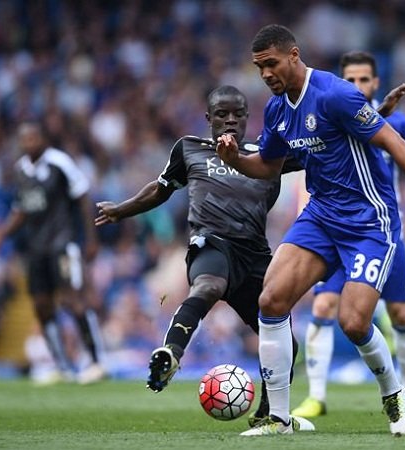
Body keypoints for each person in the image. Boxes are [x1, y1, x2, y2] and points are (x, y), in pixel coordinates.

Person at [216, 24, 405, 436]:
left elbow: (392, 141)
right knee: (271, 299)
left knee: (353, 323)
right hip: (321, 216)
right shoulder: (278, 109)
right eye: (259, 67)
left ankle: (394, 395)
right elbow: (267, 165)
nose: (265, 74)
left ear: (294, 55)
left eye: (271, 64)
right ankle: (279, 418)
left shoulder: (334, 94)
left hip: (369, 220)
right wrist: (233, 160)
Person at [95, 85, 312, 430]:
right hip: (211, 244)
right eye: (222, 114)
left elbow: (321, 146)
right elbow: (160, 188)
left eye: (237, 114)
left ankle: (268, 416)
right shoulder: (190, 149)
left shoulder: (267, 154)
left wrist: (372, 120)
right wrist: (122, 210)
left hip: (254, 256)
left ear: (246, 118)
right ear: (209, 118)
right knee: (209, 285)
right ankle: (171, 354)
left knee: (286, 343)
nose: (230, 120)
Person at [292, 51, 405, 419]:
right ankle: (317, 397)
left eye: (364, 80)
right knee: (323, 306)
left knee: (401, 313)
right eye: (350, 80)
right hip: (334, 229)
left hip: (380, 231)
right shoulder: (327, 117)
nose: (357, 85)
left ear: (375, 82)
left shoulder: (398, 125)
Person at [0, 121, 106, 384]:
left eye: (33, 138)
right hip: (36, 248)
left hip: (63, 243)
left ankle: (96, 360)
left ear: (44, 139)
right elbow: (21, 209)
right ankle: (63, 365)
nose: (29, 143)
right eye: (24, 139)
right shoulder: (21, 169)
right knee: (42, 305)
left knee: (72, 300)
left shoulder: (59, 163)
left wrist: (90, 237)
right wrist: (0, 234)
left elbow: (82, 197)